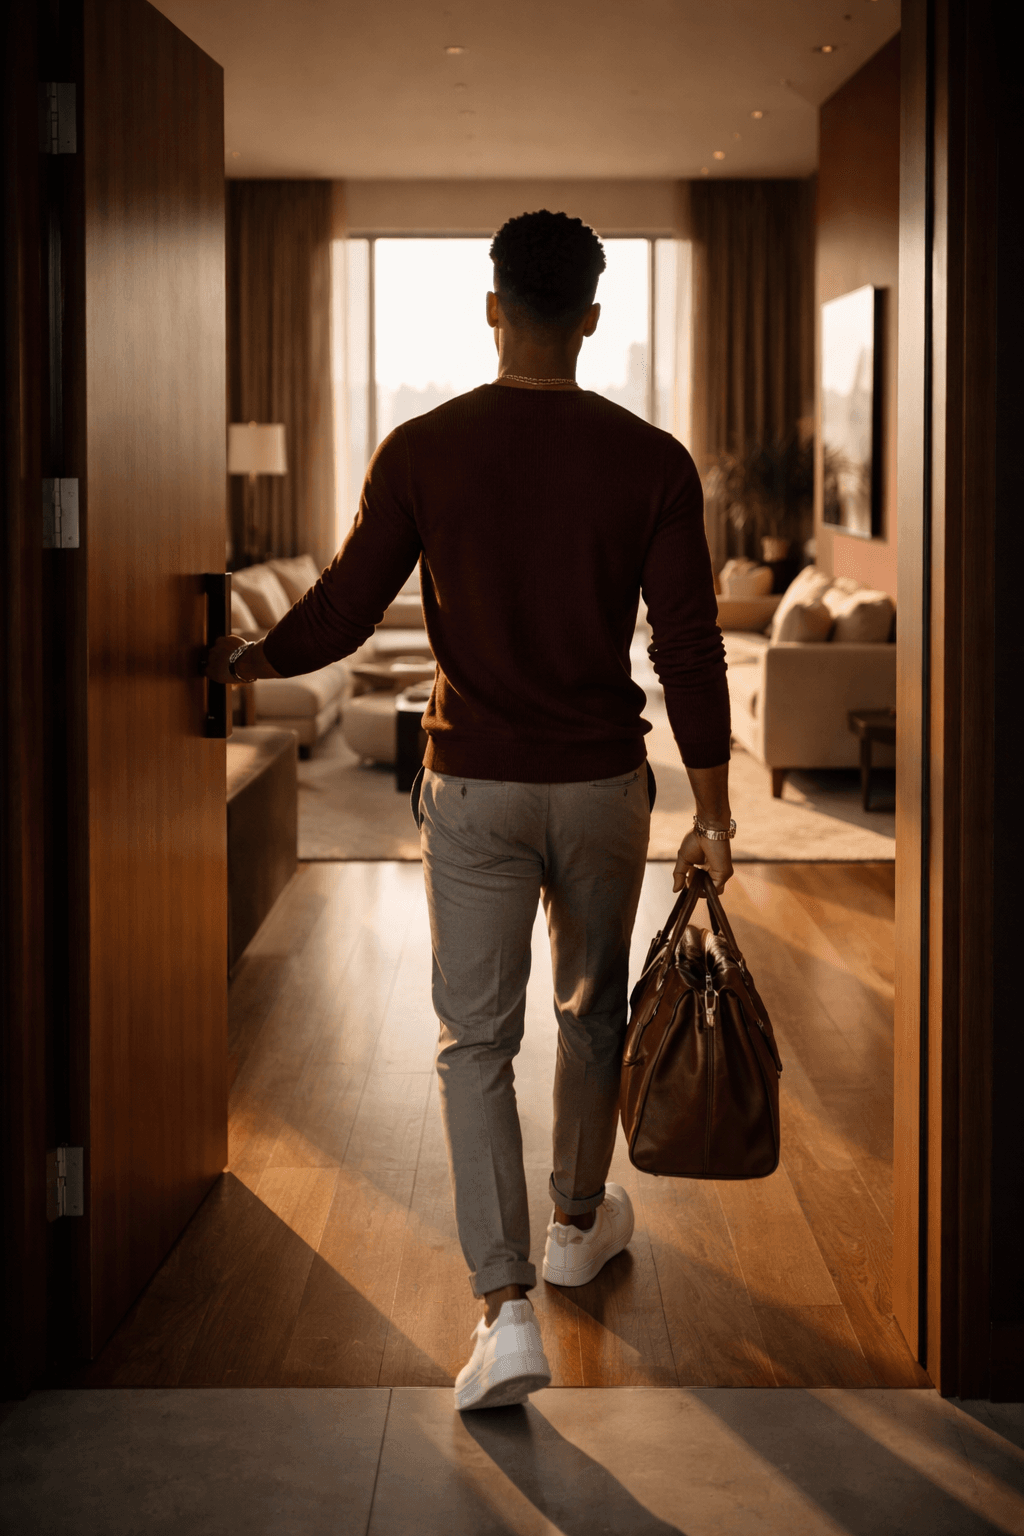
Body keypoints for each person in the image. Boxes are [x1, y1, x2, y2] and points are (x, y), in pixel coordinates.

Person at [207, 210, 733, 1412]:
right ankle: (574, 1226)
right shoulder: (653, 459)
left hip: (475, 786)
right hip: (601, 787)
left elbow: (341, 610)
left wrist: (241, 662)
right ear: (590, 317)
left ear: (493, 307)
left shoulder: (421, 448)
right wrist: (713, 812)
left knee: (474, 1043)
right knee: (593, 1014)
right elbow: (689, 646)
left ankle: (505, 1313)